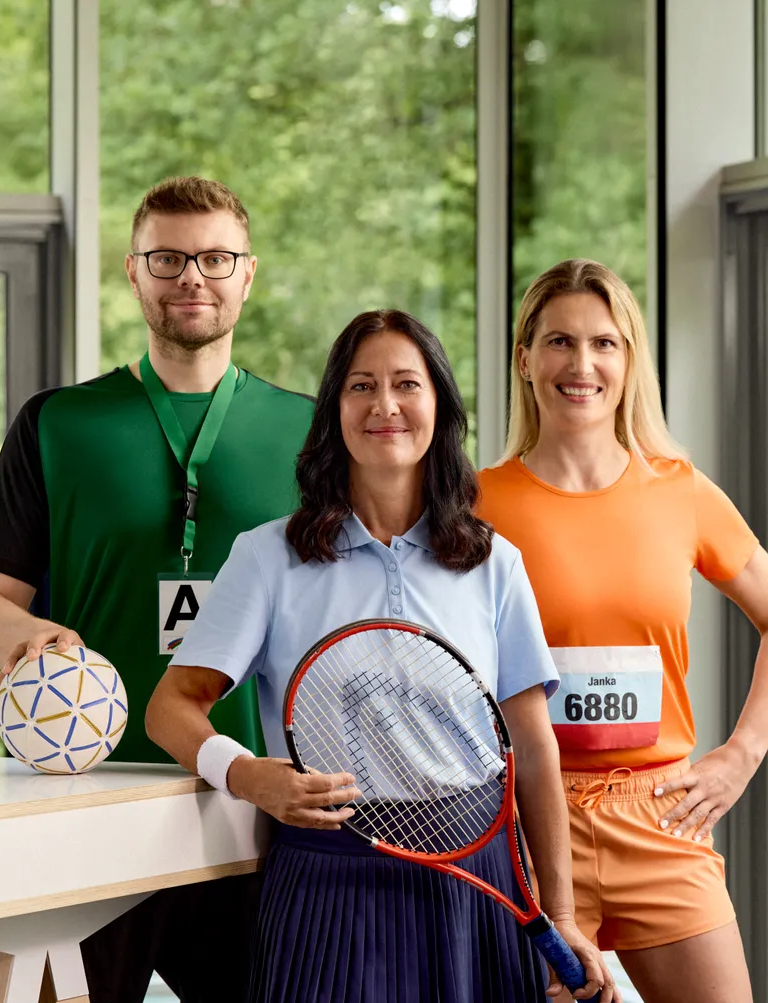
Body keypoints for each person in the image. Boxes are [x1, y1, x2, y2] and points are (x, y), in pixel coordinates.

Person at [146, 309, 615, 1003]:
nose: (385, 405)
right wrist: (244, 774)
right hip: (324, 879)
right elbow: (169, 708)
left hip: (479, 880)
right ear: (334, 411)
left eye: (406, 384)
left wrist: (564, 915)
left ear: (439, 406)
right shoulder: (267, 557)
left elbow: (535, 749)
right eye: (361, 386)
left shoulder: (495, 564)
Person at [0, 176, 313, 1003]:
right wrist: (31, 638)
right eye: (167, 258)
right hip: (90, 804)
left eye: (215, 258)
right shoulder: (57, 423)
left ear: (248, 273)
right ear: (133, 271)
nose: (192, 277)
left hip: (251, 804)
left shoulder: (311, 430)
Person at [476, 259, 768, 1003]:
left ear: (629, 363)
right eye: (559, 342)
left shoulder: (679, 490)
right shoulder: (475, 505)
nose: (582, 364)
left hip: (662, 819)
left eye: (605, 343)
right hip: (525, 828)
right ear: (524, 359)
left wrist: (742, 754)